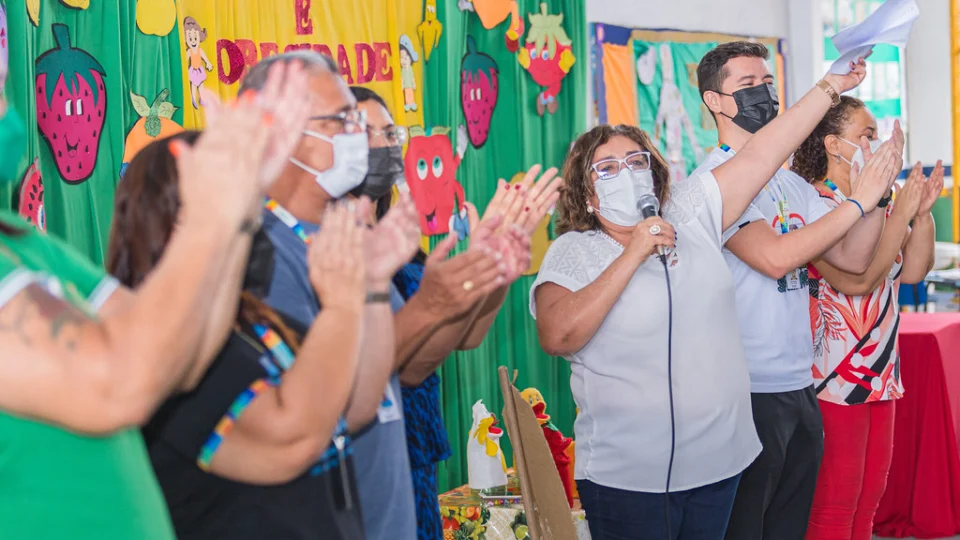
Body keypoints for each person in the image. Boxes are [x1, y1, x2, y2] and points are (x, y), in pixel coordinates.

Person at [531, 53, 893, 538]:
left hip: (718, 463)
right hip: (630, 475)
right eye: (609, 168)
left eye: (637, 160)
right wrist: (632, 252)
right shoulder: (574, 251)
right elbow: (557, 335)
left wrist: (831, 85)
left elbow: (764, 154)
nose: (630, 172)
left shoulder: (689, 210)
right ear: (589, 196)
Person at [0, 61, 307, 538]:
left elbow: (182, 357)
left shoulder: (21, 241)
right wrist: (208, 214)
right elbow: (121, 384)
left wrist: (239, 208)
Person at [107, 131, 371, 539]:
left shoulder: (257, 320)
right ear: (173, 221)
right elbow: (292, 436)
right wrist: (342, 304)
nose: (254, 223)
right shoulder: (168, 353)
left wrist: (379, 283)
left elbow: (358, 404)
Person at [692, 42, 902, 540]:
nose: (764, 94)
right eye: (747, 86)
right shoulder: (714, 183)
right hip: (747, 390)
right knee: (749, 527)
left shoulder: (789, 186)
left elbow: (850, 257)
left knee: (790, 526)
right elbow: (776, 257)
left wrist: (875, 195)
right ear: (715, 102)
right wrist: (858, 202)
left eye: (768, 83)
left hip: (798, 383)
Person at [351, 85, 558, 540]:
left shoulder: (402, 245)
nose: (383, 145)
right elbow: (400, 365)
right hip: (365, 447)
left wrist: (497, 271)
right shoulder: (331, 247)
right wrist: (465, 278)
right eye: (366, 132)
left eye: (390, 133)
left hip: (415, 442)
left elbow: (464, 336)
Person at [791, 96, 940, 540]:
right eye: (867, 136)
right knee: (835, 505)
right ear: (834, 145)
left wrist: (923, 211)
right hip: (834, 372)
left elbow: (911, 271)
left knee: (869, 502)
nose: (877, 146)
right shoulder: (818, 204)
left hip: (879, 366)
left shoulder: (879, 204)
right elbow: (855, 277)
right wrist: (891, 208)